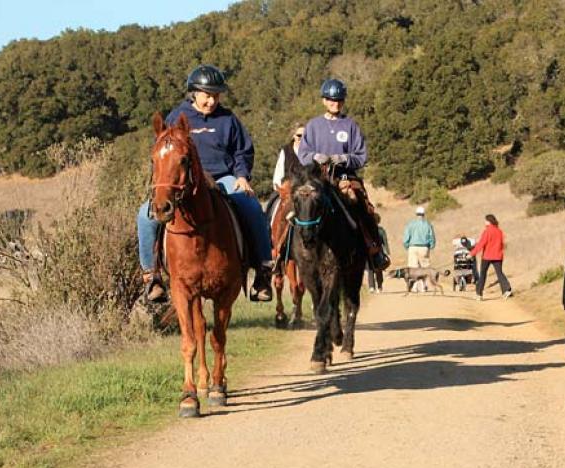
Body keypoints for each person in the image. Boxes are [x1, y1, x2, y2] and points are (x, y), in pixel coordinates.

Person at [137, 64, 273, 302]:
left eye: (216, 95)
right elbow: (165, 152)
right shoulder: (177, 118)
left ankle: (262, 272)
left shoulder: (228, 119)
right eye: (208, 95)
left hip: (222, 178)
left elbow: (242, 151)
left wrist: (242, 176)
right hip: (185, 184)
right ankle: (152, 277)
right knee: (145, 216)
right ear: (195, 93)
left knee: (252, 207)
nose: (212, 101)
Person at [297, 78, 390, 270]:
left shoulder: (350, 125)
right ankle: (287, 252)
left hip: (345, 178)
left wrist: (345, 159)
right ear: (324, 101)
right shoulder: (313, 126)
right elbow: (303, 154)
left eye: (339, 100)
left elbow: (361, 156)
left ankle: (375, 250)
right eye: (331, 100)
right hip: (318, 180)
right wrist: (316, 156)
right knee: (297, 205)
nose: (335, 103)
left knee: (363, 205)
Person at [265, 122, 305, 217]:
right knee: (272, 202)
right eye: (299, 135)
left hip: (304, 189)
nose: (302, 138)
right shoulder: (285, 151)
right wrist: (280, 189)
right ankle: (267, 223)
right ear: (293, 136)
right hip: (287, 188)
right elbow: (278, 173)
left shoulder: (311, 152)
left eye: (305, 136)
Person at [470, 214, 512, 300]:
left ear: (488, 221)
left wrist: (471, 254)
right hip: (498, 256)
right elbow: (502, 244)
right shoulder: (499, 231)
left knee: (482, 275)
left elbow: (481, 244)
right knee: (499, 273)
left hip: (487, 256)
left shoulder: (487, 231)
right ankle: (507, 290)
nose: (484, 222)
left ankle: (479, 294)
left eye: (485, 220)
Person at [367, 213, 390, 293]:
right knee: (379, 269)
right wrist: (387, 251)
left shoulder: (366, 230)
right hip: (379, 251)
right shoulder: (381, 230)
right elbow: (385, 241)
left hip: (369, 252)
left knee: (370, 269)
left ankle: (371, 287)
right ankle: (379, 286)